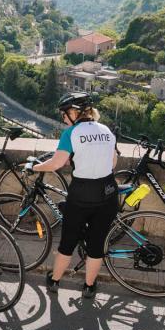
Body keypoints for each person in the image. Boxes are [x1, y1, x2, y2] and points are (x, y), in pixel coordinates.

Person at [30, 92, 118, 299]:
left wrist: (34, 167)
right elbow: (112, 162)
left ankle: (54, 281)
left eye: (64, 114)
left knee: (68, 242)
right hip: (108, 192)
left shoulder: (71, 133)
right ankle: (89, 287)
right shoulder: (106, 130)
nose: (63, 118)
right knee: (97, 244)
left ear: (73, 112)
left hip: (82, 194)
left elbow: (56, 163)